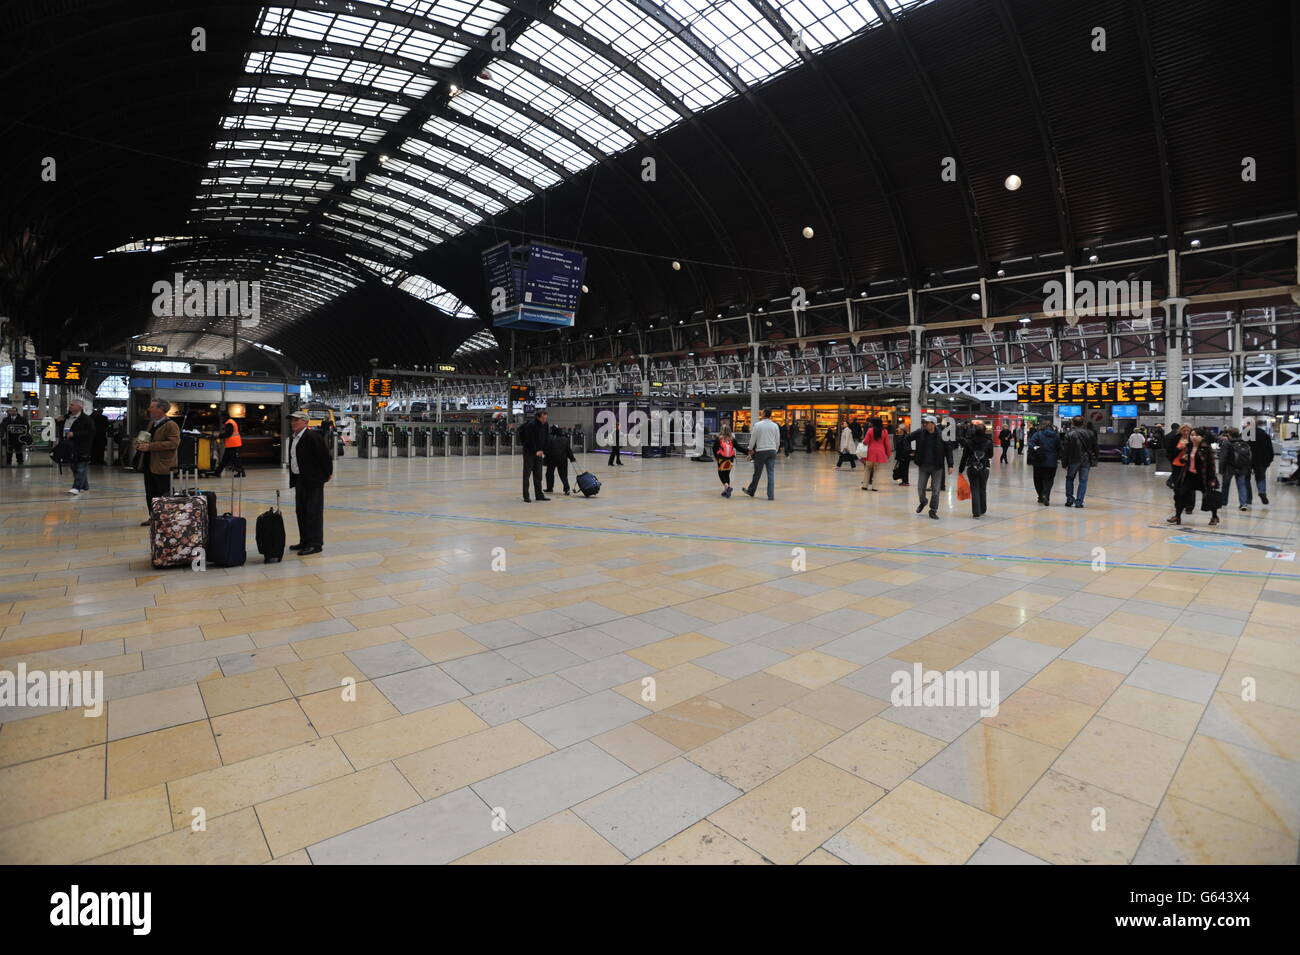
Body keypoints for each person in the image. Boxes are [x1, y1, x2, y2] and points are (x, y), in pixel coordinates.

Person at [287, 410, 333, 553]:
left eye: (297, 420)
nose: (293, 423)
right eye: (292, 420)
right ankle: (305, 541)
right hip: (300, 479)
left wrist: (326, 475)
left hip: (313, 481)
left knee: (313, 512)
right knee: (301, 511)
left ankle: (315, 544)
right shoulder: (294, 438)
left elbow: (325, 457)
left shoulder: (313, 436)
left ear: (305, 422)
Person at [135, 398, 180, 525]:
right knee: (150, 493)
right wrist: (140, 443)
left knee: (164, 492)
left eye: (152, 407)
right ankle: (154, 517)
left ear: (161, 409)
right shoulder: (152, 423)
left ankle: (168, 518)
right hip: (149, 463)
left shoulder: (171, 425)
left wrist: (151, 446)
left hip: (162, 465)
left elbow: (174, 443)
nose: (149, 409)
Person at [1167, 427, 1219, 526]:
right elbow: (1184, 461)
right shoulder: (1189, 446)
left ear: (1202, 437)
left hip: (1203, 476)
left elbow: (1211, 465)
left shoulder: (1206, 448)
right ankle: (1177, 516)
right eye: (1192, 435)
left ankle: (1214, 516)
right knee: (1180, 494)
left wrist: (1212, 479)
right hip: (1190, 476)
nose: (1193, 437)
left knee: (1209, 496)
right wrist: (1184, 458)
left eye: (1196, 435)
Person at [909, 415, 952, 520]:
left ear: (933, 424)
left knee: (936, 490)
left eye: (926, 423)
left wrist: (950, 465)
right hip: (923, 466)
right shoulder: (920, 433)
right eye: (924, 423)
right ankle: (923, 502)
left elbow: (948, 451)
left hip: (937, 467)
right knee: (920, 488)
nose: (924, 425)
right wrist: (910, 451)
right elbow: (907, 438)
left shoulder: (942, 435)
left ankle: (933, 510)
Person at [57, 401, 94, 495]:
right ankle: (84, 485)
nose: (70, 406)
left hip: (82, 447)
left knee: (81, 467)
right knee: (74, 467)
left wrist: (75, 434)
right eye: (70, 405)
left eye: (72, 405)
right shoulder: (66, 417)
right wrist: (57, 421)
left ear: (80, 407)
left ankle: (76, 488)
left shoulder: (86, 419)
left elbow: (91, 432)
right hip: (69, 447)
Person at [1060, 415, 1097, 508]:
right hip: (1086, 460)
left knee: (1069, 479)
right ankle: (1079, 501)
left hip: (1073, 460)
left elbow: (1066, 450)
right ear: (1083, 423)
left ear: (1073, 423)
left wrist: (1064, 463)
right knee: (1083, 481)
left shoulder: (1069, 434)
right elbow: (1095, 448)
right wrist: (1095, 459)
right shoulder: (1090, 433)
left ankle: (1069, 499)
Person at [743, 409, 780, 500]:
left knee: (757, 473)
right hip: (772, 451)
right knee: (771, 473)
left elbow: (753, 438)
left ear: (763, 414)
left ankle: (751, 491)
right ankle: (770, 496)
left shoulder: (758, 425)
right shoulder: (775, 426)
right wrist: (776, 450)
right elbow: (777, 440)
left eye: (761, 413)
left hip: (761, 451)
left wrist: (750, 449)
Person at [959, 422, 994, 518]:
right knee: (983, 488)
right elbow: (991, 455)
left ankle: (976, 512)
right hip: (984, 467)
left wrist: (960, 470)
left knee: (974, 489)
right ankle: (983, 509)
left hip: (971, 467)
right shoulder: (988, 442)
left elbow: (964, 456)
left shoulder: (969, 441)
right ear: (985, 431)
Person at [1217, 427, 1255, 511]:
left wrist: (1221, 470)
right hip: (1242, 467)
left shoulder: (1226, 443)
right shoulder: (1245, 443)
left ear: (1229, 434)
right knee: (1242, 485)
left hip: (1229, 467)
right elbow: (1250, 456)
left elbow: (1223, 457)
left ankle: (1224, 501)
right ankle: (1243, 503)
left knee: (1225, 485)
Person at [1027, 421, 1061, 505]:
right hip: (1052, 461)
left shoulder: (1038, 434)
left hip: (1039, 460)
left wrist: (1036, 448)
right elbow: (1059, 448)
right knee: (1049, 480)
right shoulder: (1056, 435)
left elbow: (1031, 443)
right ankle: (1046, 494)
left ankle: (1040, 496)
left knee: (1037, 479)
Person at [519, 409, 550, 502]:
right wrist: (535, 450)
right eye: (543, 418)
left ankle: (539, 495)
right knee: (527, 474)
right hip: (529, 453)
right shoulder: (531, 425)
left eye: (546, 418)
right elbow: (529, 440)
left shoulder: (545, 425)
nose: (545, 420)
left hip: (540, 453)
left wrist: (543, 450)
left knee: (538, 475)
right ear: (538, 417)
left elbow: (546, 438)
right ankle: (526, 496)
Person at [859, 417, 891, 491]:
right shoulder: (885, 432)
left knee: (867, 469)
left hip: (870, 453)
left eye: (871, 422)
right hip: (880, 453)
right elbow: (887, 444)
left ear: (873, 423)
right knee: (876, 470)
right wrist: (888, 454)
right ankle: (875, 487)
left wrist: (863, 442)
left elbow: (866, 442)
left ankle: (865, 486)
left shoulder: (870, 430)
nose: (870, 423)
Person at [545, 425, 577, 495]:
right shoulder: (565, 439)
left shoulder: (550, 438)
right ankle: (567, 489)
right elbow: (568, 450)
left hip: (551, 459)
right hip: (562, 460)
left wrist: (545, 455)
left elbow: (546, 449)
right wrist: (572, 458)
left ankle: (549, 488)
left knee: (549, 474)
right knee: (563, 475)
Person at [213, 412, 246, 478]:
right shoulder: (230, 422)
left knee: (234, 459)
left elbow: (228, 434)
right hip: (232, 444)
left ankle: (241, 472)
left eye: (222, 417)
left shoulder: (229, 423)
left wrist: (218, 436)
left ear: (225, 417)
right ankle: (217, 472)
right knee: (225, 459)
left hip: (233, 444)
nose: (221, 419)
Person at [1249, 421, 1273, 505]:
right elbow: (1270, 449)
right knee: (1261, 477)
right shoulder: (1265, 434)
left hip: (1250, 459)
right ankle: (1262, 491)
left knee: (1245, 478)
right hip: (1263, 460)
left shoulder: (1247, 433)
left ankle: (1248, 498)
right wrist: (1270, 460)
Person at [713, 425, 737, 497]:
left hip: (721, 459)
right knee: (727, 474)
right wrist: (748, 452)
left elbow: (714, 448)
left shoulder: (719, 439)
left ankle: (727, 487)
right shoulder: (732, 439)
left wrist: (716, 457)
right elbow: (739, 447)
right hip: (730, 459)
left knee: (721, 474)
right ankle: (726, 491)